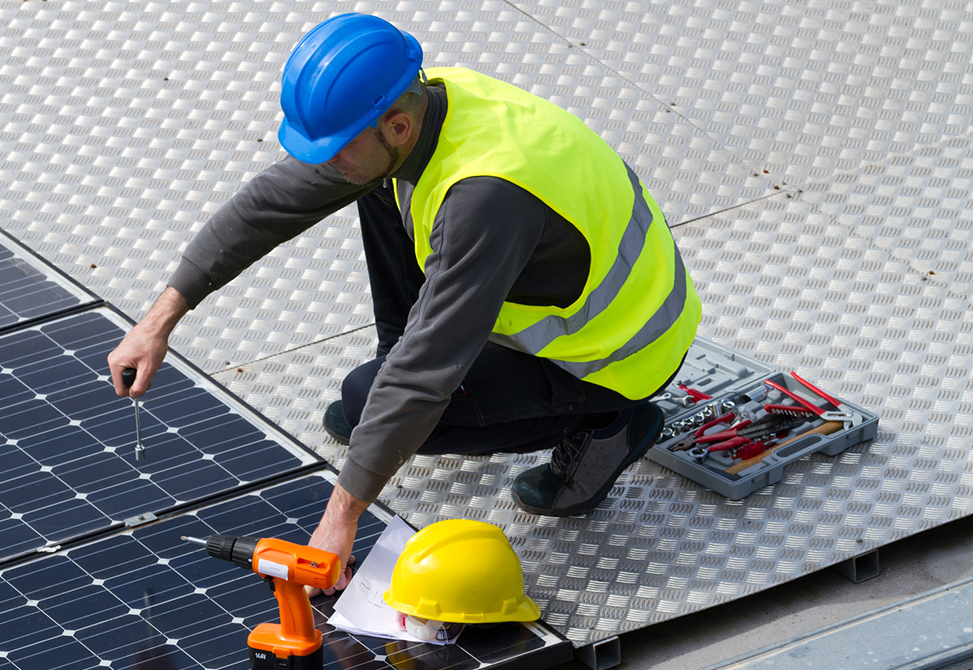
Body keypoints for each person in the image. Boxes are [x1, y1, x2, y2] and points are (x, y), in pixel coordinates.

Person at [107, 13, 701, 593]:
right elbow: (270, 203)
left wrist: (340, 520)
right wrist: (158, 321)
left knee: (376, 400)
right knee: (372, 187)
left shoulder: (486, 196)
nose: (322, 161)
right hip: (558, 281)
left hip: (613, 354)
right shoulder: (418, 102)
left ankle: (608, 427)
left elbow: (423, 374)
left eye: (334, 147)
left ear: (395, 126)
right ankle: (392, 394)